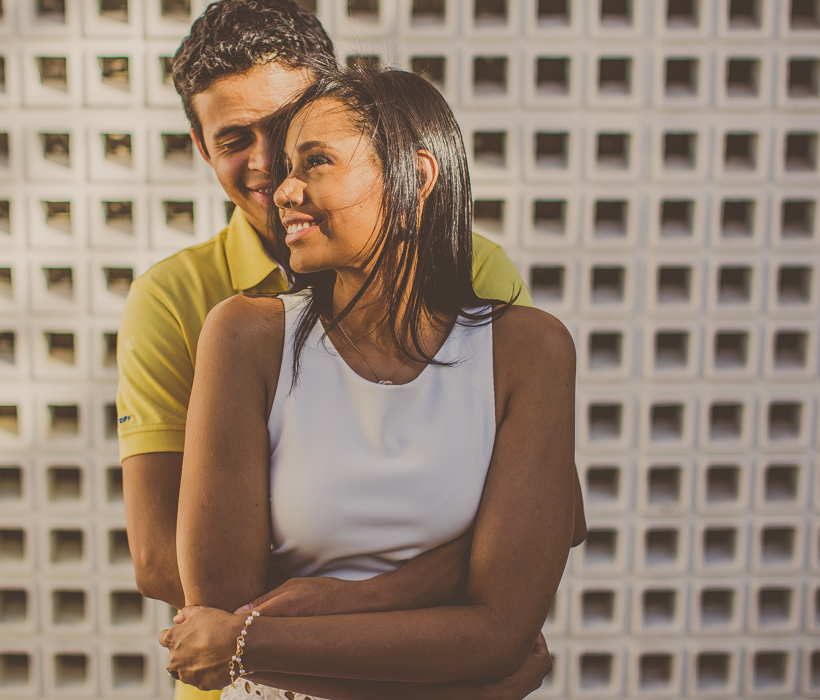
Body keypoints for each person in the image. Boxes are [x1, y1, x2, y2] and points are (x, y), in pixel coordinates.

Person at [116, 1, 584, 698]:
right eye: (234, 139)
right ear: (199, 145)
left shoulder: (478, 281)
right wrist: (457, 628)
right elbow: (163, 565)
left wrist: (300, 616)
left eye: (294, 132)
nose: (271, 167)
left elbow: (550, 525)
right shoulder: (187, 306)